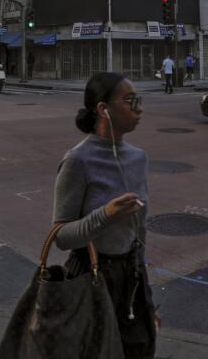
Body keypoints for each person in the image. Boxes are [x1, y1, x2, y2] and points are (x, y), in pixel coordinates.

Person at [53, 72, 156, 358]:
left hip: (132, 277)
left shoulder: (138, 158)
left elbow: (140, 228)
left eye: (139, 100)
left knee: (141, 349)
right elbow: (61, 236)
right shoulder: (78, 160)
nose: (139, 108)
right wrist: (106, 214)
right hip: (91, 277)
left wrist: (146, 297)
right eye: (129, 100)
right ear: (103, 109)